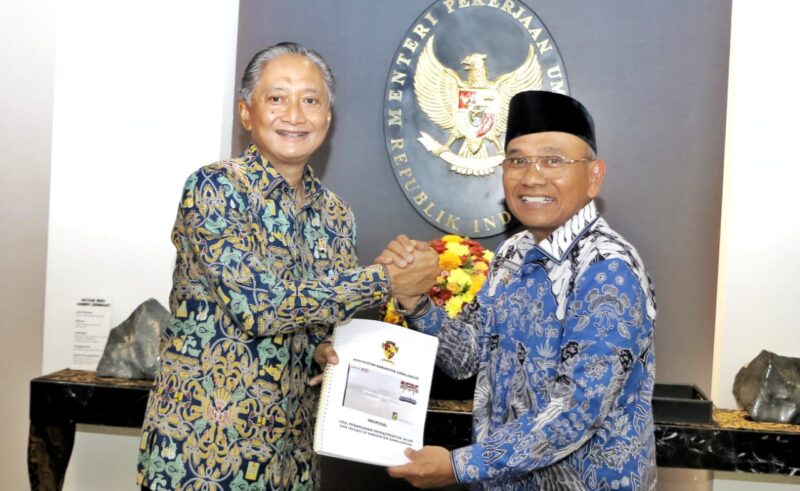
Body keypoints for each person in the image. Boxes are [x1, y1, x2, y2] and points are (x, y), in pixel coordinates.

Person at [136, 42, 439, 491]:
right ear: (246, 113)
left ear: (328, 117)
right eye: (277, 98)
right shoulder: (215, 188)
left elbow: (315, 322)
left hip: (292, 459)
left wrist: (324, 349)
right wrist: (385, 280)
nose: (295, 115)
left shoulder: (336, 214)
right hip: (204, 453)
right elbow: (261, 307)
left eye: (311, 100)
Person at [382, 91, 657, 490]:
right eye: (517, 160)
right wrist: (415, 301)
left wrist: (460, 466)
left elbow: (577, 409)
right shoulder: (513, 252)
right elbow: (466, 357)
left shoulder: (607, 269)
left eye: (553, 161)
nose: (532, 177)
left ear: (594, 176)